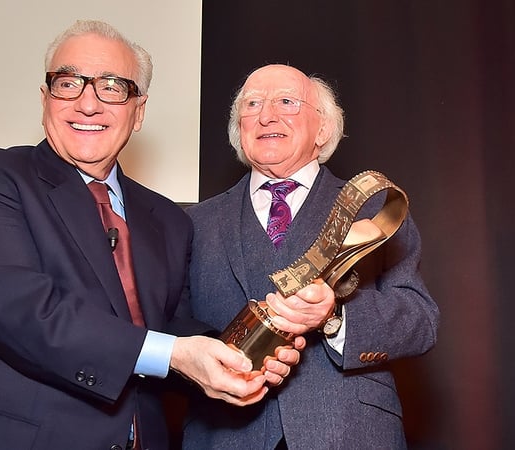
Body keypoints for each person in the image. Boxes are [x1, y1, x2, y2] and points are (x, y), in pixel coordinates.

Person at [0, 21, 301, 450]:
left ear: (138, 112)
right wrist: (175, 354)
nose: (87, 104)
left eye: (112, 87)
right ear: (45, 99)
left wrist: (246, 353)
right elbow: (19, 308)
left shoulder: (168, 220)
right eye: (68, 83)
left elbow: (170, 327)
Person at [182, 64, 440, 450]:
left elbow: (420, 321)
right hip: (223, 435)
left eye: (286, 101)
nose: (267, 115)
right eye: (252, 104)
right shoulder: (193, 221)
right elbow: (173, 327)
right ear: (239, 129)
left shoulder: (374, 208)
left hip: (350, 434)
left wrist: (335, 318)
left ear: (323, 129)